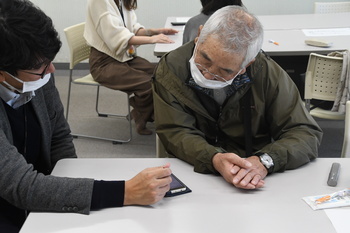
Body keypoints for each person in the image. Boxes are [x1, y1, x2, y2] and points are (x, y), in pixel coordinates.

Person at [0, 0, 172, 232]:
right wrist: (125, 191)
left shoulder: (37, 77)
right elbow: (21, 186)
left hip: (38, 193)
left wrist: (73, 190)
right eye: (40, 66)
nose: (52, 71)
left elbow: (59, 137)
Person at [153, 6, 323, 190]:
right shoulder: (172, 69)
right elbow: (176, 132)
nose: (209, 75)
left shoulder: (265, 73)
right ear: (199, 34)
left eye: (225, 71)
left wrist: (265, 160)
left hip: (251, 175)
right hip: (192, 170)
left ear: (247, 65)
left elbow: (304, 132)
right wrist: (214, 158)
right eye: (205, 59)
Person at [84, 0, 178, 135]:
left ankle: (140, 112)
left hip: (124, 57)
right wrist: (152, 39)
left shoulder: (121, 1)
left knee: (163, 73)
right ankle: (142, 115)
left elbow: (132, 29)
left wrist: (154, 32)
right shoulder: (99, 2)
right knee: (148, 83)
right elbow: (117, 37)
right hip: (103, 63)